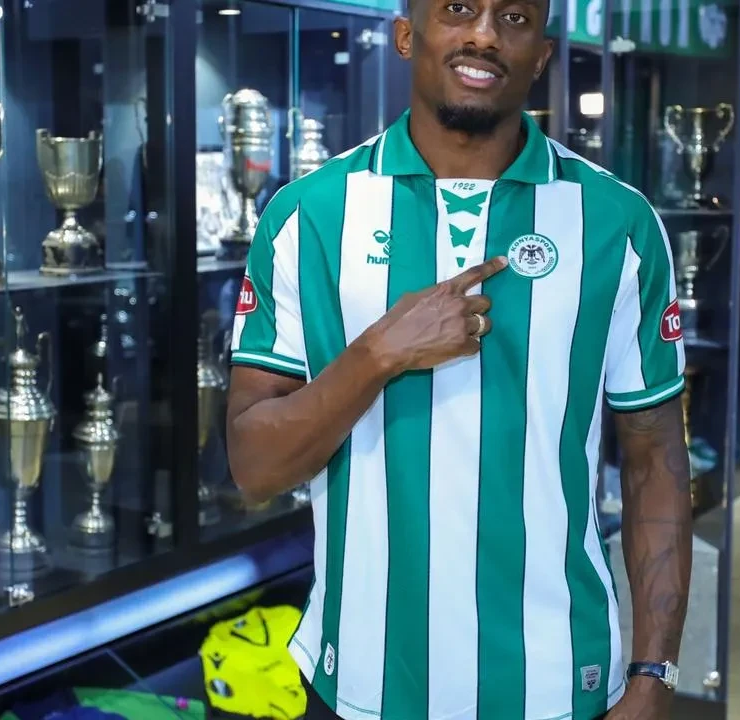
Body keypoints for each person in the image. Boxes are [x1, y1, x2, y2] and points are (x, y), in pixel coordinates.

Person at [224, 0, 694, 717]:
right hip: (363, 682)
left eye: (514, 18)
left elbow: (655, 459)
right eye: (459, 9)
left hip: (553, 681)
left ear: (542, 55)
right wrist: (379, 352)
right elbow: (255, 469)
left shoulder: (616, 221)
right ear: (405, 35)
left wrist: (654, 672)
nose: (484, 34)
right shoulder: (308, 215)